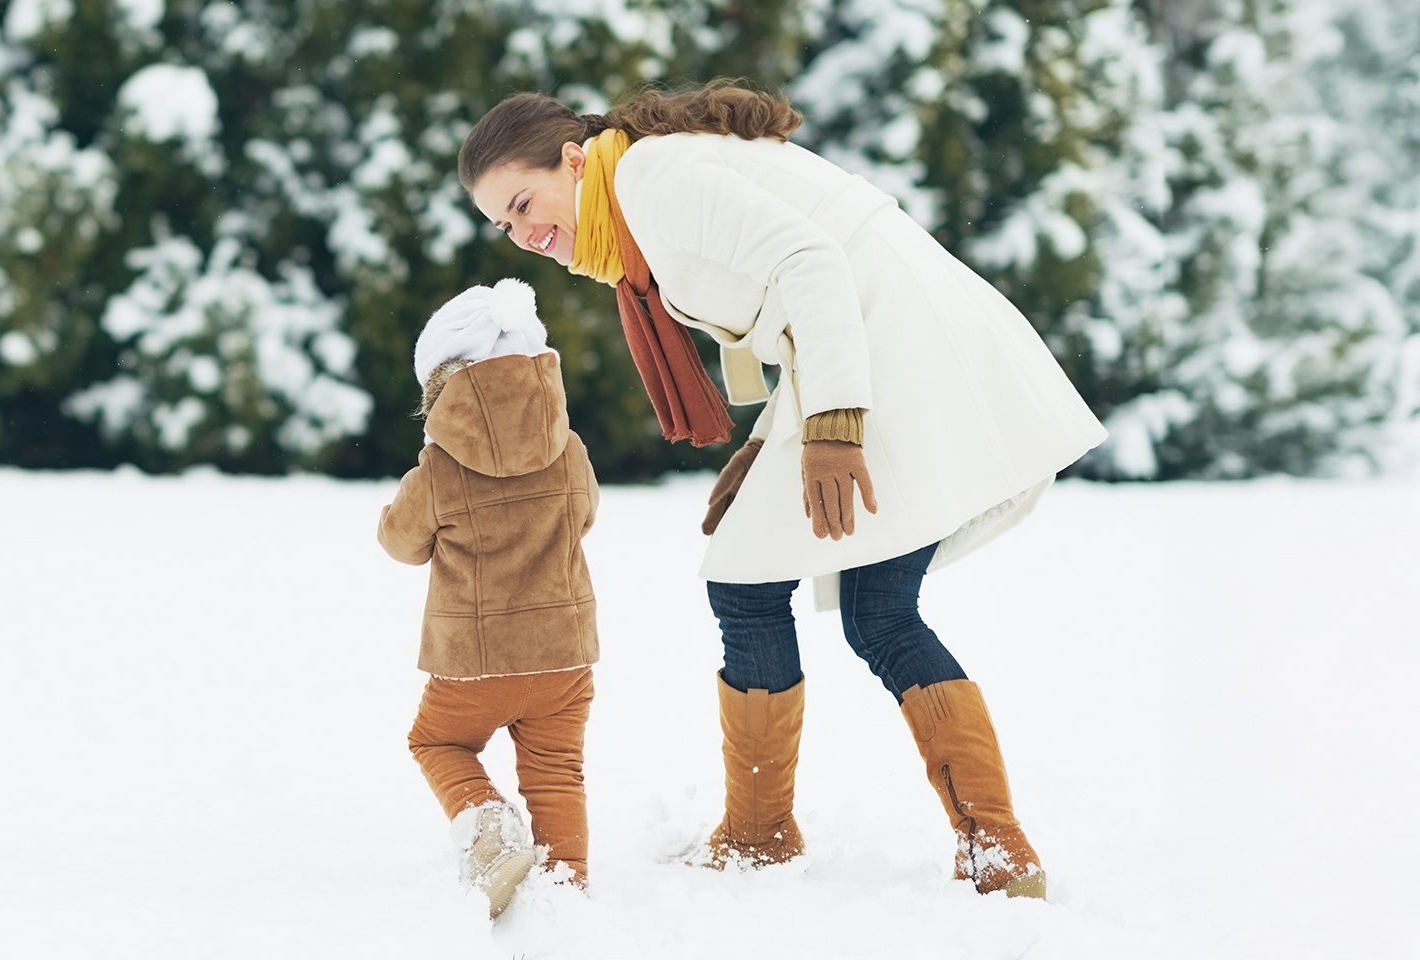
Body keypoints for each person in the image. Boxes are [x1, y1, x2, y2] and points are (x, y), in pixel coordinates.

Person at [457, 80, 1108, 900]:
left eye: (523, 202)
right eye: (502, 224)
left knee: (771, 589)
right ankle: (986, 850)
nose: (522, 233)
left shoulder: (653, 182)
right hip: (876, 348)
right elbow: (795, 302)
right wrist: (765, 445)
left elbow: (813, 265)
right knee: (869, 610)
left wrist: (833, 425)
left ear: (575, 160)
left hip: (893, 352)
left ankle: (783, 836)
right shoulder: (640, 194)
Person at [377, 278, 601, 918]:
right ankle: (567, 892)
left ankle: (488, 825)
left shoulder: (438, 470)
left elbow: (402, 544)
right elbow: (583, 517)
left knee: (437, 743)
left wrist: (392, 508)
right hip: (563, 657)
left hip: (472, 663)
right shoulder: (569, 451)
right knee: (557, 771)